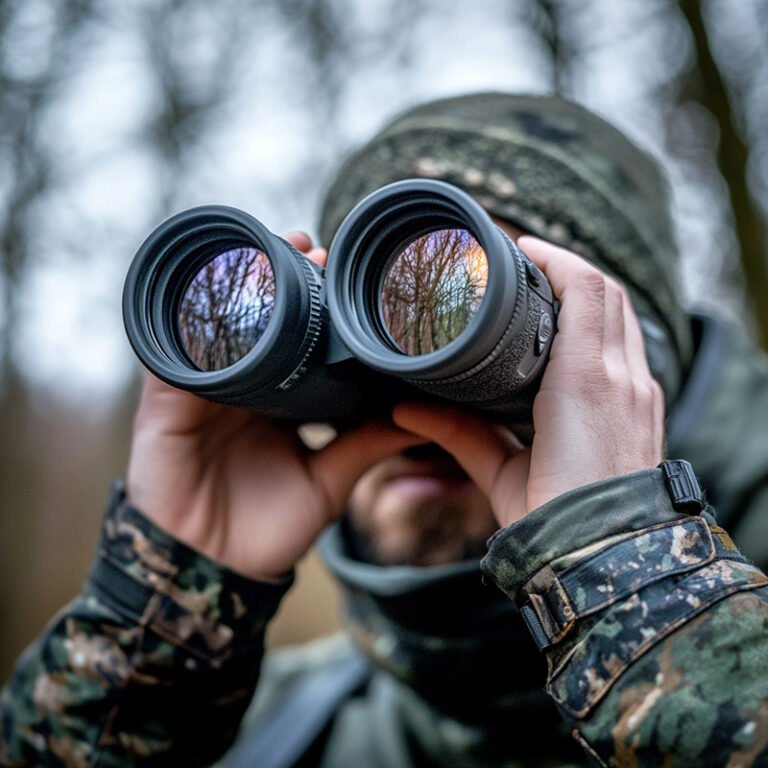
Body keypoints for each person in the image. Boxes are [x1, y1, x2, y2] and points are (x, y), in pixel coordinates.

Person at [2, 92, 768, 767]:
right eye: (386, 322)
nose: (426, 412)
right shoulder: (247, 730)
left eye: (472, 326)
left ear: (636, 383)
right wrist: (160, 622)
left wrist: (631, 567)